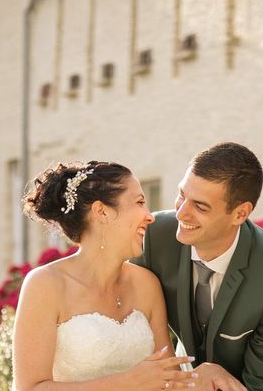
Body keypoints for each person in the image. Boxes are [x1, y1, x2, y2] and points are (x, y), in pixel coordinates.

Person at [133, 143, 263, 391]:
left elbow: (261, 385)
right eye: (182, 194)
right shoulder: (156, 236)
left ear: (240, 214)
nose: (181, 213)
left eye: (200, 207)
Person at [12, 161, 199, 390]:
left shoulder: (146, 284)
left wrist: (204, 375)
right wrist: (127, 383)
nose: (150, 217)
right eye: (139, 202)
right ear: (101, 212)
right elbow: (29, 387)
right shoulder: (45, 285)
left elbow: (170, 379)